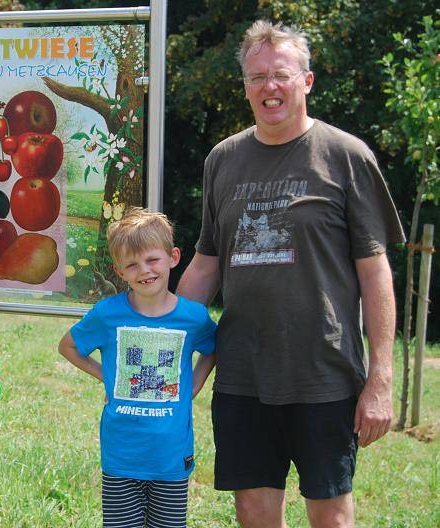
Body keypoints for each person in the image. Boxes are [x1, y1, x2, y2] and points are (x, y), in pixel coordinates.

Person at [176, 20, 405, 528]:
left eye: (280, 75)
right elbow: (207, 263)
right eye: (257, 78)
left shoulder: (346, 156)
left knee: (331, 514)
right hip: (243, 372)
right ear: (245, 87)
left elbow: (375, 273)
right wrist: (162, 337)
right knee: (253, 512)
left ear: (307, 81)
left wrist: (381, 379)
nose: (269, 88)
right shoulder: (223, 160)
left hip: (323, 372)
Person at [59, 208, 217, 528]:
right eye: (132, 264)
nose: (143, 270)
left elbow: (213, 351)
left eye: (152, 260)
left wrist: (194, 385)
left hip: (171, 458)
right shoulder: (107, 314)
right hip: (121, 457)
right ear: (119, 271)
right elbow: (69, 347)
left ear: (173, 257)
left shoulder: (194, 317)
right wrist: (107, 376)